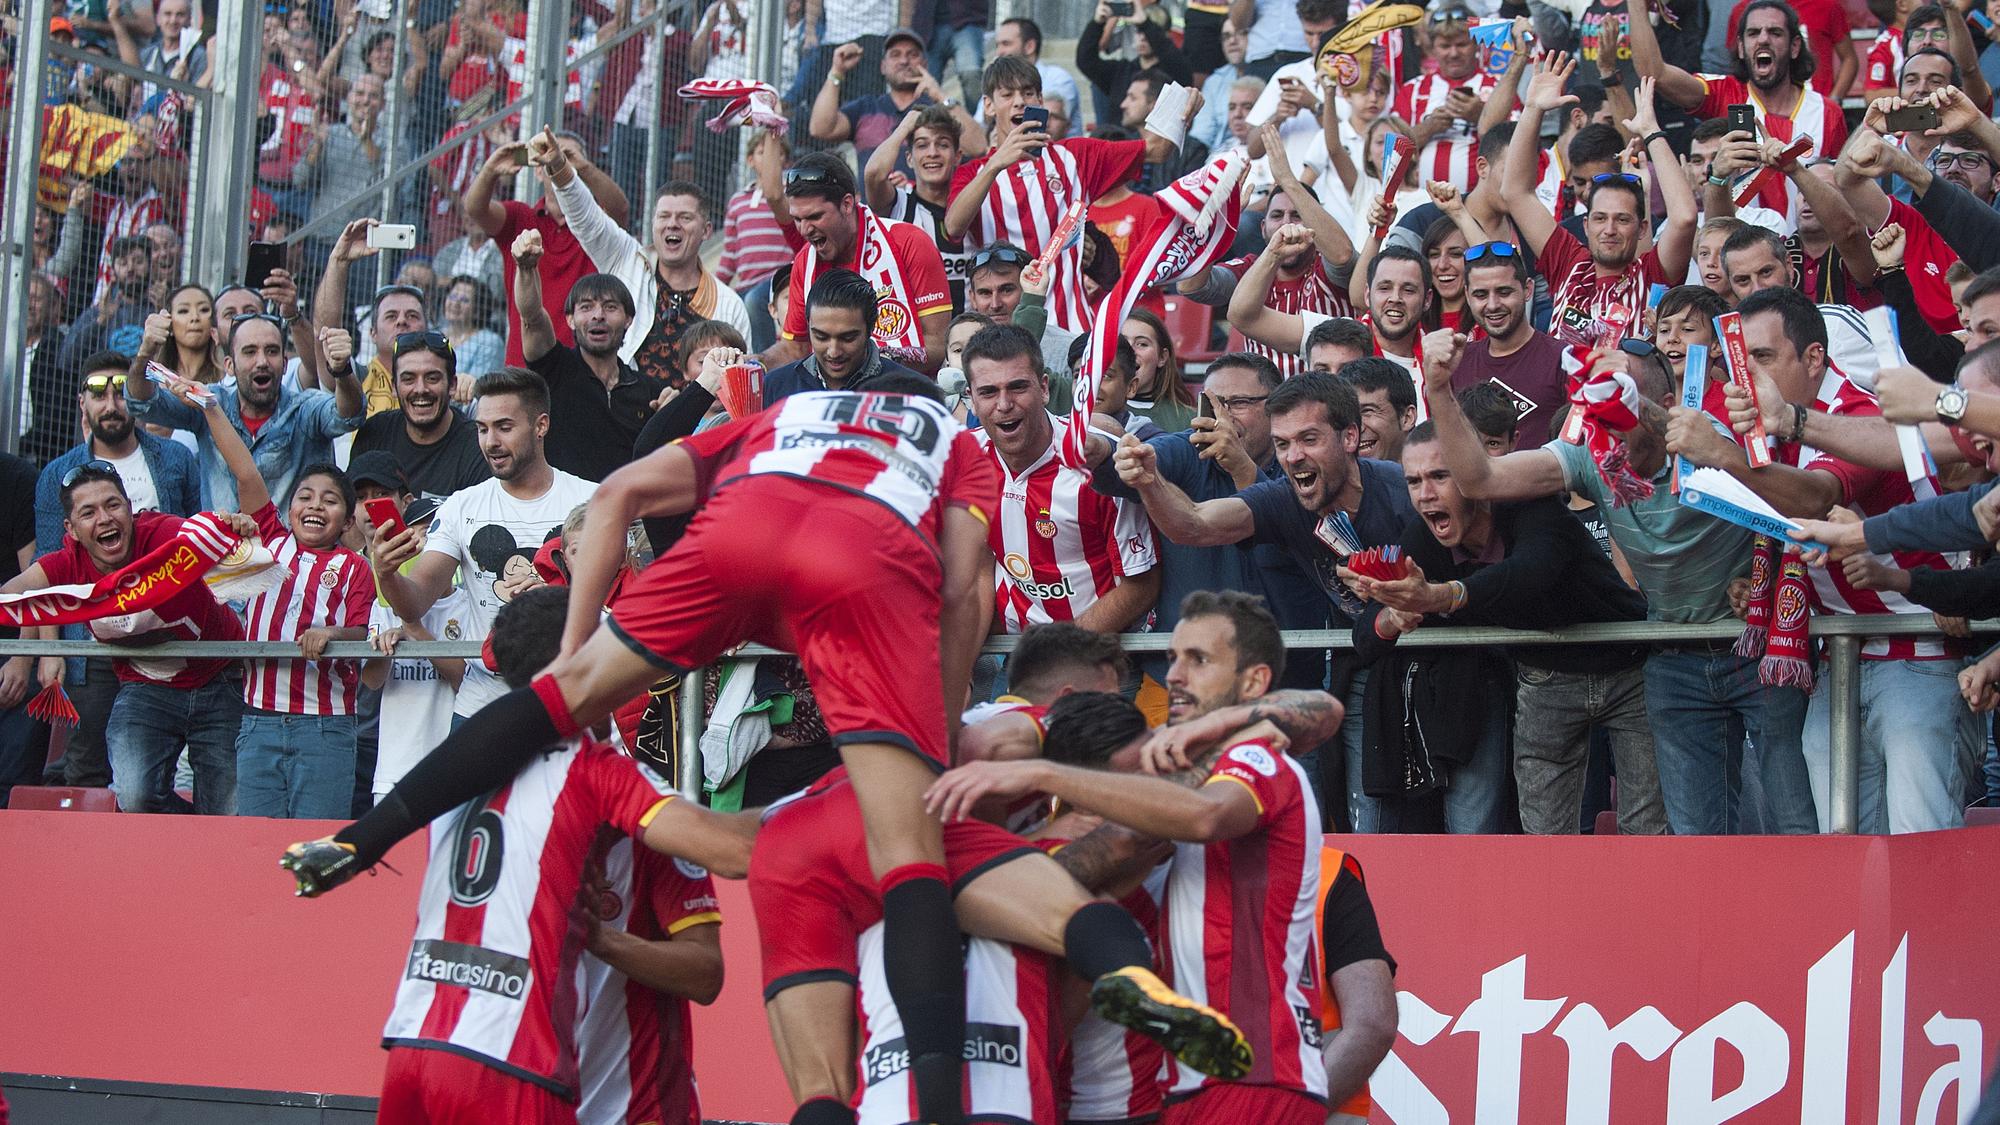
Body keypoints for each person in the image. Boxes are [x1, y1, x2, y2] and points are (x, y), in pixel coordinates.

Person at [288, 375, 1250, 1125]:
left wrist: (579, 658)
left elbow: (619, 491)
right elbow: (967, 590)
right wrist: (936, 711)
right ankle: (1070, 1012)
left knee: (819, 1082)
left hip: (750, 614)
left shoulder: (774, 424)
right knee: (919, 867)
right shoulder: (955, 450)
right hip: (860, 582)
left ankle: (361, 837)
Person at [926, 592, 1344, 1124]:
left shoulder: (1242, 757)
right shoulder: (1181, 761)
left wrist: (1043, 778)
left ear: (1253, 681)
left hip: (1241, 1074)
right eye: (1172, 657)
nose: (1172, 676)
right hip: (1174, 1086)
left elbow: (1319, 715)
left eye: (1198, 660)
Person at [365, 585, 752, 1125]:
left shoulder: (453, 774)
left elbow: (704, 972)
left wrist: (603, 942)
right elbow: (736, 850)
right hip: (522, 1073)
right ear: (594, 657)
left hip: (436, 1051)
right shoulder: (608, 780)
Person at [1418, 327, 1816, 835]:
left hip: (1756, 648)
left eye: (1618, 399)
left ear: (1665, 402)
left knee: (1791, 825)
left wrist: (1635, 404)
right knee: (1697, 844)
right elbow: (1480, 480)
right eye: (1597, 401)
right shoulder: (1590, 453)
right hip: (1675, 659)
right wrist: (1439, 390)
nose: (1608, 420)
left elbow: (1803, 508)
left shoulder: (1706, 436)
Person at [1664, 287, 1977, 833]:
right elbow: (1791, 529)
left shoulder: (1858, 412)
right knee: (1846, 848)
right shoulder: (1763, 426)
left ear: (1813, 359)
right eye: (1741, 361)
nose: (1747, 376)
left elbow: (1814, 498)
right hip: (1839, 659)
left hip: (1917, 656)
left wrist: (1725, 459)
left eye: (1762, 358)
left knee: (1919, 839)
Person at [1113, 373, 1416, 826]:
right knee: (1362, 820)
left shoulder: (1404, 492)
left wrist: (1436, 595)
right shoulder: (1284, 498)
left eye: (1309, 439)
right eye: (1282, 444)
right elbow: (1194, 524)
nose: (1294, 457)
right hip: (1366, 661)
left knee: (1457, 826)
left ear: (1350, 437)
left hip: (1448, 668)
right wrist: (1150, 481)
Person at [1344, 422, 1668, 834]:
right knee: (1545, 839)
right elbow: (1365, 636)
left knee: (1646, 831)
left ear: (1477, 473)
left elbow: (1531, 574)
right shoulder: (1422, 540)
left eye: (1440, 476)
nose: (1425, 494)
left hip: (1630, 670)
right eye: (1413, 481)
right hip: (1544, 677)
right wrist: (1394, 615)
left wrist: (1442, 596)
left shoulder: (1531, 506)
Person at [6, 464, 253, 813]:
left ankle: (207, 844)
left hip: (220, 679)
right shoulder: (65, 564)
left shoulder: (164, 533)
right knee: (135, 797)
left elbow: (211, 533)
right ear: (72, 530)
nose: (104, 518)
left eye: (113, 505)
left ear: (130, 510)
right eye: (88, 513)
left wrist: (236, 526)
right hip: (145, 685)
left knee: (226, 809)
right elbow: (11, 597)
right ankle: (184, 843)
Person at [178, 385, 373, 819]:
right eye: (305, 496)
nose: (315, 505)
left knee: (314, 850)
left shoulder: (355, 566)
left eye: (330, 500)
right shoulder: (268, 543)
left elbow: (361, 631)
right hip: (258, 721)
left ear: (345, 519)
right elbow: (245, 473)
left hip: (326, 728)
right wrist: (210, 409)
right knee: (255, 851)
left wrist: (331, 634)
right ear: (288, 510)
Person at [1086, 350, 1332, 693]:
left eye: (1238, 403)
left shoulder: (1302, 465)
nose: (1222, 417)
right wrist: (1105, 454)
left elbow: (1286, 540)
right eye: (1212, 403)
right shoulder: (1188, 449)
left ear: (1275, 409)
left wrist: (1242, 467)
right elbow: (1129, 464)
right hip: (1185, 683)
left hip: (1283, 683)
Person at [366, 367, 596, 725]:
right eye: (482, 429)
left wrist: (556, 593)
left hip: (574, 696)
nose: (490, 442)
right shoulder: (461, 506)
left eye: (504, 427)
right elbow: (414, 603)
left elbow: (621, 603)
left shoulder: (592, 500)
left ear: (541, 426)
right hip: (481, 704)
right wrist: (387, 573)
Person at [946, 54, 1202, 335]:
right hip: (1001, 333)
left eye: (1028, 93)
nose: (1019, 101)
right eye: (1007, 94)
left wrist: (1182, 101)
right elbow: (954, 227)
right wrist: (995, 164)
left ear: (1040, 101)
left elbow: (1156, 149)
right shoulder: (973, 174)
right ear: (988, 106)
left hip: (1071, 328)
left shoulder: (1076, 155)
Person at [964, 325, 1161, 635]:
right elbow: (976, 573)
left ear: (1044, 388)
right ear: (971, 399)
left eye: (1017, 387)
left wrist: (1056, 654)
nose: (1003, 405)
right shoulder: (965, 461)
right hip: (1018, 653)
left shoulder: (1097, 461)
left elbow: (1141, 585)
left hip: (1103, 654)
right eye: (988, 391)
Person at [1503, 57, 1694, 347]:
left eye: (1623, 219)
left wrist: (1652, 133)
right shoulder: (1569, 261)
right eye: (1600, 218)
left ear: (1642, 229)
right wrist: (1533, 110)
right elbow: (1515, 192)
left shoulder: (1653, 273)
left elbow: (1685, 218)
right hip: (1562, 393)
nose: (1609, 229)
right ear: (1586, 224)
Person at [533, 129, 752, 371]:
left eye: (685, 217)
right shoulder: (627, 260)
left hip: (698, 410)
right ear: (653, 224)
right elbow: (585, 216)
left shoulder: (729, 304)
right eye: (664, 216)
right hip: (622, 407)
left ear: (707, 231)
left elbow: (739, 380)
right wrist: (559, 167)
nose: (672, 224)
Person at [1625, 0, 1847, 221]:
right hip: (1740, 250)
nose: (1763, 39)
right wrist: (1636, 5)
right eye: (1753, 33)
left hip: (1810, 252)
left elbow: (1843, 199)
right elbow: (1655, 74)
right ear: (1741, 47)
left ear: (1795, 46)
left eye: (1775, 33)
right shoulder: (1723, 94)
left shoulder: (1827, 114)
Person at [125, 313, 364, 511]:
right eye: (249, 352)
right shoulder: (208, 401)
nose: (262, 361)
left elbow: (348, 415)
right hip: (222, 559)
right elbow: (141, 402)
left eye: (271, 351)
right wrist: (145, 353)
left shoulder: (304, 409)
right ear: (229, 365)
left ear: (284, 363)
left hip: (288, 561)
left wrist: (342, 370)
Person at [1182, 126, 1355, 377]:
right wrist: (1219, 229)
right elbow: (1190, 286)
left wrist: (1287, 180)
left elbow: (1342, 256)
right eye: (1277, 215)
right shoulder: (1250, 269)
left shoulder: (1327, 264)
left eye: (1297, 215)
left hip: (1330, 398)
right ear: (1263, 228)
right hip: (1265, 405)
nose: (1286, 223)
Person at [768, 153, 952, 372]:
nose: (804, 230)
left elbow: (938, 346)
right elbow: (793, 350)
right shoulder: (804, 262)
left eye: (815, 217)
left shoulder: (910, 243)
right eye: (798, 219)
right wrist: (755, 362)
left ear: (847, 204)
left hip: (904, 393)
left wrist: (873, 361)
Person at [356, 454, 470, 803]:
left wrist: (416, 632)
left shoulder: (468, 603)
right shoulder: (384, 602)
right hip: (394, 771)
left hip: (453, 768)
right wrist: (385, 649)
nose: (424, 542)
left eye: (432, 530)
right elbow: (372, 680)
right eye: (417, 530)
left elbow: (464, 680)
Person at [464, 130, 632, 367]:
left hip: (584, 368)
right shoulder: (520, 217)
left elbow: (621, 210)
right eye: (548, 156)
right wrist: (490, 170)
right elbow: (475, 210)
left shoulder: (597, 227)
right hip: (524, 368)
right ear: (539, 171)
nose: (555, 160)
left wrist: (580, 167)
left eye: (565, 157)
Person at [514, 234, 667, 482]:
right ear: (570, 319)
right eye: (586, 307)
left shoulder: (650, 391)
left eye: (610, 307)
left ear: (628, 319)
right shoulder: (554, 368)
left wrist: (670, 414)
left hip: (625, 515)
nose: (598, 315)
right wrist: (526, 268)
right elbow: (531, 316)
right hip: (562, 516)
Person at [810, 28, 986, 172]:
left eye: (912, 54)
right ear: (883, 66)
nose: (904, 61)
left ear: (925, 64)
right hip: (876, 214)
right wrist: (837, 71)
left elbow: (978, 147)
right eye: (895, 54)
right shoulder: (866, 107)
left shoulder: (939, 108)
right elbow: (821, 128)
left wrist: (939, 95)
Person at [1448, 243, 1572, 448]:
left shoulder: (1563, 359)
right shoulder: (1458, 360)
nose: (1493, 304)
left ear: (1528, 289)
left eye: (1504, 292)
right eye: (1481, 295)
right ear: (1468, 296)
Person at [347, 331, 493, 503]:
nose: (420, 389)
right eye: (409, 379)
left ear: (452, 385)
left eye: (432, 378)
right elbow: (350, 514)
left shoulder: (476, 445)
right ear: (394, 387)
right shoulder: (375, 432)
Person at [312, 221, 436, 416]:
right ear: (373, 334)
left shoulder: (442, 385)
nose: (402, 321)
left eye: (412, 315)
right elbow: (325, 335)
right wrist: (339, 260)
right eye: (391, 316)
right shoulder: (353, 379)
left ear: (427, 331)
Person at [762, 270, 927, 403]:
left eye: (847, 338)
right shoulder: (775, 386)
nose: (833, 352)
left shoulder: (913, 393)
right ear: (808, 325)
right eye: (821, 337)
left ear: (870, 328)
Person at [865, 105, 970, 311]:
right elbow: (874, 174)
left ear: (957, 156)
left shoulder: (975, 207)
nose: (932, 153)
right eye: (922, 145)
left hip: (969, 335)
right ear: (909, 159)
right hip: (915, 337)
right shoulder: (898, 206)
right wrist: (905, 126)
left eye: (942, 145)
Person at [1391, 6, 1508, 191]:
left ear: (1477, 43)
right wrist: (1428, 128)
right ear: (1432, 49)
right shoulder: (1412, 90)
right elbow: (1388, 151)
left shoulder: (1499, 88)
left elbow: (1519, 143)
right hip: (1421, 205)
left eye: (1461, 44)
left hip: (1479, 206)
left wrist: (1482, 117)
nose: (1453, 53)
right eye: (1445, 46)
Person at [990, 17, 1080, 137]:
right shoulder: (996, 81)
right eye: (1007, 94)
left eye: (1006, 44)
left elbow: (1049, 118)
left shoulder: (1058, 78)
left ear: (1029, 47)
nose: (999, 52)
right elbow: (982, 122)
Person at [1121, 309, 1201, 435]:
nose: (1130, 351)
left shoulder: (1190, 419)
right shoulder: (1091, 412)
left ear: (1162, 357)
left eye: (1142, 344)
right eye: (1122, 343)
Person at [438, 276, 504, 380]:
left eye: (464, 300)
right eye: (453, 296)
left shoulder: (489, 342)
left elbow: (477, 388)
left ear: (478, 310)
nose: (455, 303)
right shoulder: (435, 335)